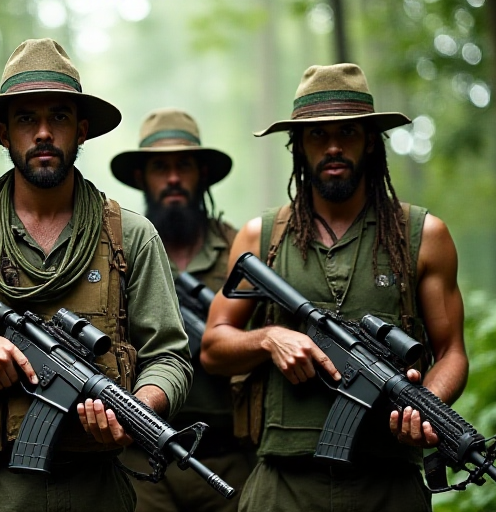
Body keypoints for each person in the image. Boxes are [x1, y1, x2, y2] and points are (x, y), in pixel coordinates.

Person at [0, 39, 193, 512]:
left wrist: (140, 409)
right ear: (5, 134)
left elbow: (170, 358)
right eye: (28, 119)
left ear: (82, 131)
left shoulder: (130, 236)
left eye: (59, 118)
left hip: (96, 490)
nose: (44, 133)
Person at [200, 63, 468, 512]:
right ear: (298, 146)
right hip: (283, 485)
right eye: (318, 135)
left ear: (370, 141)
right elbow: (212, 347)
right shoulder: (261, 237)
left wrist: (427, 404)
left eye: (348, 132)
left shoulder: (422, 235)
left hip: (389, 483)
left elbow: (453, 351)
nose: (334, 147)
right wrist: (270, 338)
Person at [110, 107, 253, 512]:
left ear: (202, 173)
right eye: (160, 167)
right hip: (140, 459)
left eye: (184, 165)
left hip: (228, 457)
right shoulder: (118, 256)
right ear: (141, 177)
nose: (173, 178)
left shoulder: (240, 255)